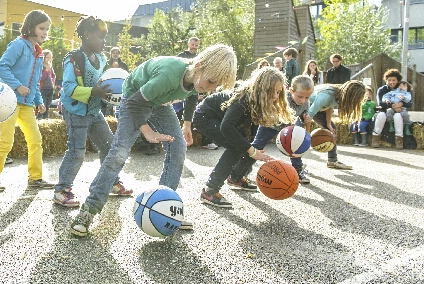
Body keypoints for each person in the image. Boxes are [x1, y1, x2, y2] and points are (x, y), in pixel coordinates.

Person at [69, 44, 238, 236]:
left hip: (158, 103)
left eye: (215, 86)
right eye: (211, 82)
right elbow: (134, 102)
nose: (210, 89)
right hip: (134, 100)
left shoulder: (197, 78)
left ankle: (166, 209)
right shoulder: (168, 76)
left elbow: (192, 96)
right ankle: (89, 210)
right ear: (199, 65)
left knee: (178, 146)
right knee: (119, 152)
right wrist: (146, 130)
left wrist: (187, 124)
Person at [54, 17, 133, 207]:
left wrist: (108, 94)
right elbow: (69, 87)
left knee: (109, 146)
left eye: (105, 38)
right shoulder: (73, 58)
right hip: (75, 110)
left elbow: (102, 83)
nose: (104, 42)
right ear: (87, 35)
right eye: (101, 37)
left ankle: (112, 182)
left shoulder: (102, 58)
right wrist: (93, 92)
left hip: (94, 110)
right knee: (77, 151)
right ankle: (61, 190)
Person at [195, 67, 293, 208]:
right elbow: (226, 127)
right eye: (274, 91)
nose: (276, 96)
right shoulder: (244, 98)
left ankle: (235, 178)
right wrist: (252, 151)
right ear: (263, 88)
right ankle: (210, 190)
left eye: (279, 92)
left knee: (241, 144)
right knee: (236, 148)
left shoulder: (258, 100)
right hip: (205, 116)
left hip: (220, 117)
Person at [0, 10, 52, 191]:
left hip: (27, 104)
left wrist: (39, 100)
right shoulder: (18, 45)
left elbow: (35, 81)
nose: (45, 32)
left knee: (36, 140)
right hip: (8, 101)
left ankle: (36, 178)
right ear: (31, 26)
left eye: (47, 29)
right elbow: (2, 67)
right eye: (42, 28)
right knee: (6, 141)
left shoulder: (39, 53)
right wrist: (17, 85)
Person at [307, 81, 366, 169]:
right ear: (350, 95)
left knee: (332, 128)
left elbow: (329, 107)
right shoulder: (326, 95)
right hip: (307, 105)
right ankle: (297, 164)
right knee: (302, 135)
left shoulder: (337, 94)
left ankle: (332, 160)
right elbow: (309, 114)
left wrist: (328, 124)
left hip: (318, 108)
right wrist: (307, 132)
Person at [372, 69, 412, 149]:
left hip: (398, 111)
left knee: (398, 116)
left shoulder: (402, 89)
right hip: (384, 110)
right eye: (389, 80)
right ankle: (375, 138)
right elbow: (380, 102)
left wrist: (401, 104)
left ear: (398, 80)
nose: (391, 82)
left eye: (394, 80)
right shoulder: (382, 89)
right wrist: (393, 106)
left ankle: (399, 139)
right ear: (386, 80)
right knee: (381, 115)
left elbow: (409, 103)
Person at [38, 49, 56, 119]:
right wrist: (46, 70)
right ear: (44, 57)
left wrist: (52, 81)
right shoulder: (40, 66)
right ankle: (39, 119)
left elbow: (54, 75)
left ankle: (46, 119)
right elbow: (40, 78)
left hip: (50, 89)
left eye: (50, 57)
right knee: (43, 106)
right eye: (47, 57)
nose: (49, 59)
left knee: (48, 106)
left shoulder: (50, 66)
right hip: (43, 89)